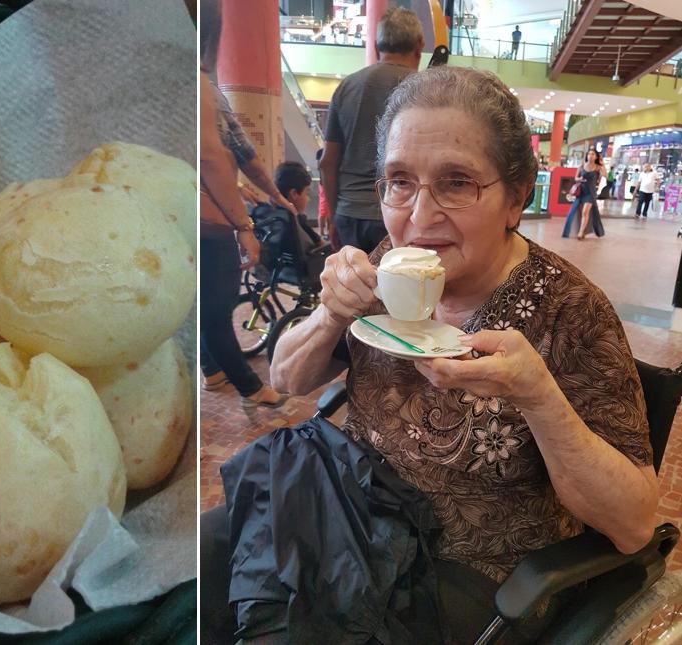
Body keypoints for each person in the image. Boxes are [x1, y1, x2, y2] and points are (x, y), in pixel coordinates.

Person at [270, 66, 656, 641]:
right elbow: (284, 378)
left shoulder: (571, 310)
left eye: (456, 183)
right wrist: (331, 312)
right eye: (399, 181)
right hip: (351, 520)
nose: (419, 218)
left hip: (467, 583)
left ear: (515, 197)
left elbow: (634, 525)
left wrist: (539, 397)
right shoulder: (389, 260)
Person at [199, 0, 288, 408]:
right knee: (217, 311)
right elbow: (216, 156)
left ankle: (212, 372)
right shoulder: (202, 87)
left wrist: (269, 191)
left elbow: (236, 153)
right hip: (208, 222)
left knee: (200, 306)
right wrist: (244, 226)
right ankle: (251, 388)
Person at [320, 7, 423, 254]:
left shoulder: (346, 88)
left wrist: (334, 217)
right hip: (402, 215)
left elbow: (327, 162)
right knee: (399, 291)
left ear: (377, 48)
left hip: (349, 214)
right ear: (419, 46)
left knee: (353, 289)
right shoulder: (424, 90)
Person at [562, 149, 605, 239]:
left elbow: (605, 175)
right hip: (580, 192)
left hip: (590, 193)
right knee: (572, 212)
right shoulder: (581, 166)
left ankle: (581, 232)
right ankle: (572, 231)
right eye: (589, 154)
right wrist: (580, 179)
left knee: (585, 212)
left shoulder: (598, 167)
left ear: (596, 156)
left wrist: (602, 163)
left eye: (593, 154)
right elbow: (575, 178)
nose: (590, 156)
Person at [315, 149, 332, 241]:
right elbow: (319, 167)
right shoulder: (320, 152)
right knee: (323, 210)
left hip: (331, 184)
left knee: (329, 210)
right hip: (323, 184)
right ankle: (321, 233)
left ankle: (328, 231)